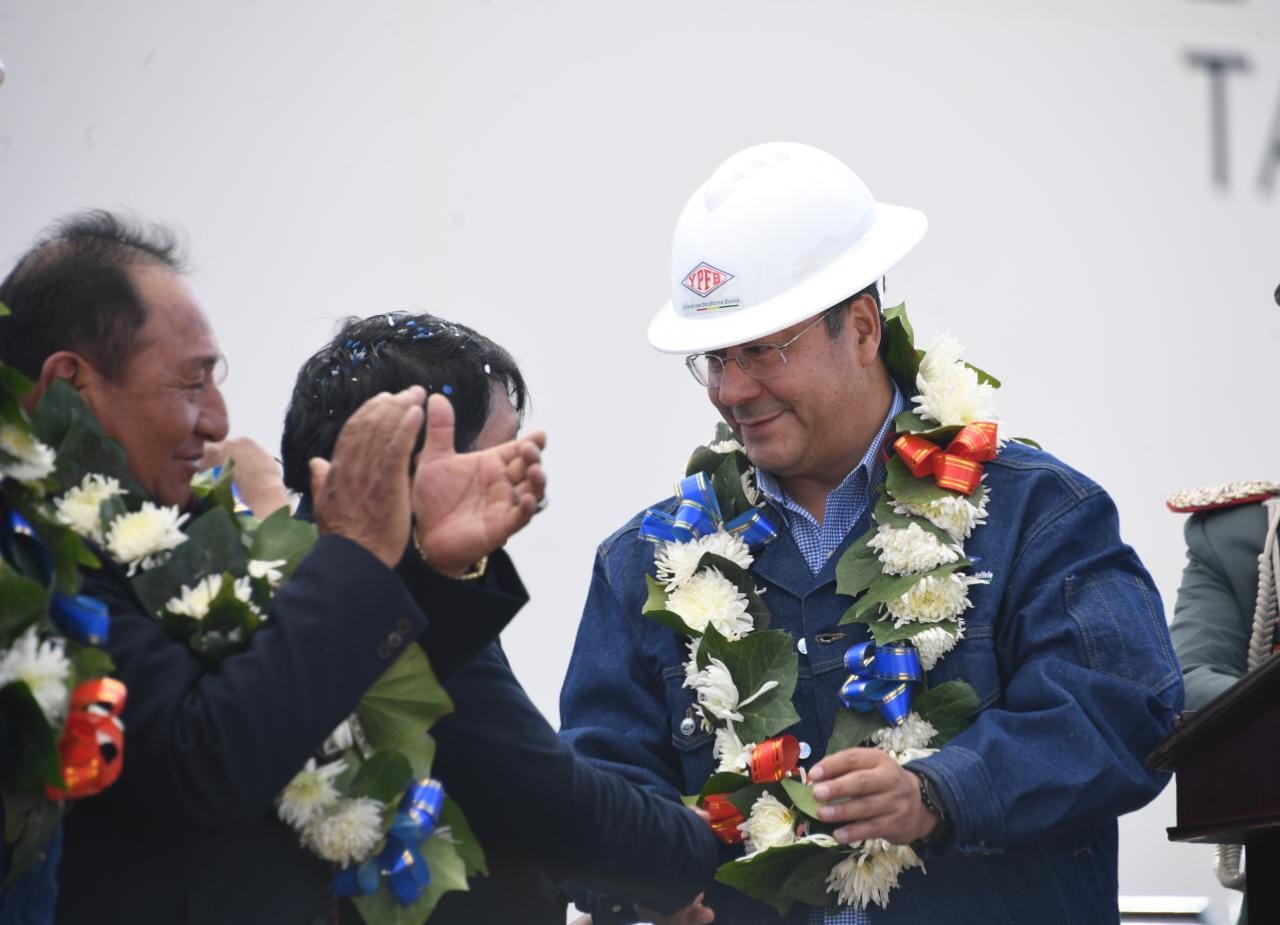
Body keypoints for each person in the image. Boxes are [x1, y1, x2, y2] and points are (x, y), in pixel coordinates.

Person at [558, 142, 1183, 924]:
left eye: (761, 350)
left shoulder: (1038, 515)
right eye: (713, 358)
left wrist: (939, 792)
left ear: (860, 328)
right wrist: (642, 870)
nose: (732, 390)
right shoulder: (647, 565)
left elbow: (1122, 717)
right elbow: (592, 788)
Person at [0, 211, 548, 923]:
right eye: (190, 384)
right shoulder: (29, 559)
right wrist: (357, 552)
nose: (218, 419)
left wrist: (426, 569)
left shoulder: (174, 537)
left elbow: (314, 705)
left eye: (216, 379)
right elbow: (206, 758)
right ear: (68, 384)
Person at [277, 312, 720, 924]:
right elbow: (540, 795)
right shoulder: (375, 604)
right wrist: (690, 850)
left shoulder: (288, 578)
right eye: (503, 448)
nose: (523, 472)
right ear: (414, 460)